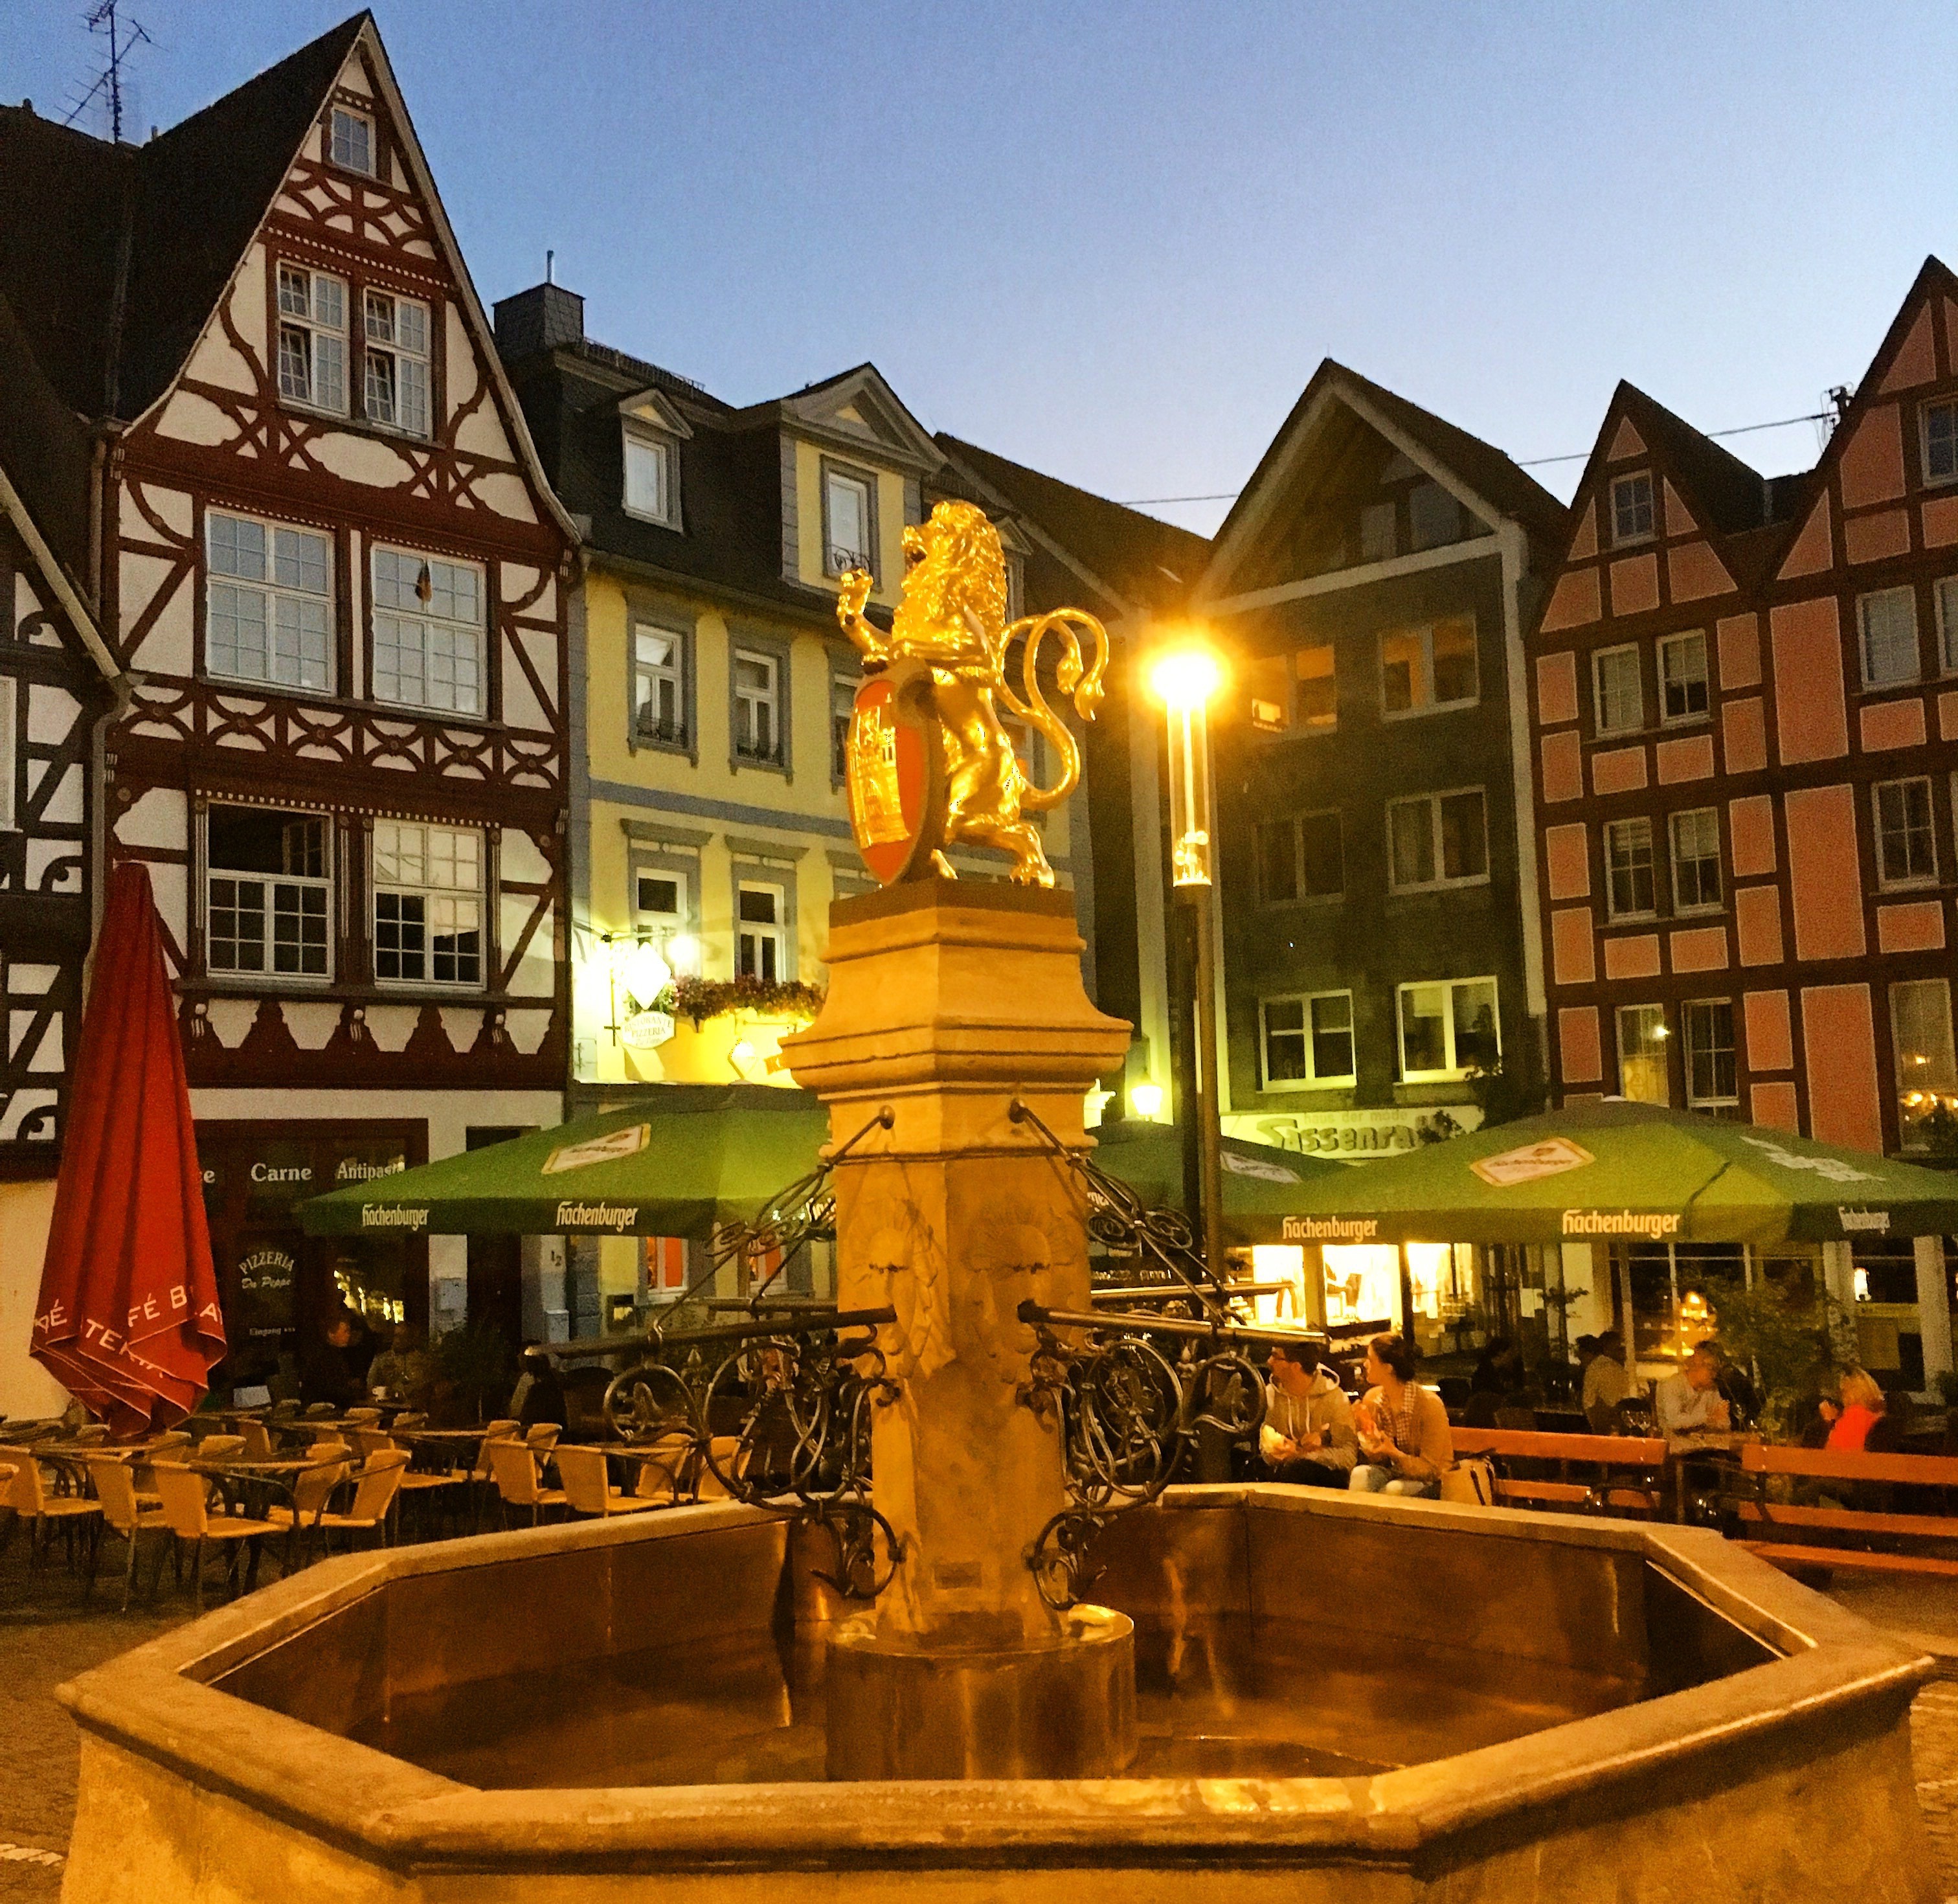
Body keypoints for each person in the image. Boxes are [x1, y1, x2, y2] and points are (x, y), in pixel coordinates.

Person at [1348, 1334, 1453, 1497]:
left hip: (1433, 1481)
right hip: (1393, 1473)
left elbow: (1431, 1469)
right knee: (1360, 1475)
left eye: (1371, 1360)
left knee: (1393, 1490)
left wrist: (1395, 1454)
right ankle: (1359, 1522)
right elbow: (1377, 1458)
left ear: (1388, 1368)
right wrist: (1366, 1437)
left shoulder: (1429, 1405)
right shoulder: (1373, 1399)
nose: (1365, 1364)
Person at [1257, 1343, 1358, 1486]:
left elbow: (1348, 1456)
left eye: (1275, 1357)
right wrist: (1275, 1452)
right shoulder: (1271, 1395)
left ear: (1296, 1367)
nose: (1269, 1362)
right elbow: (1265, 1440)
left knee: (1298, 1471)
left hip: (1325, 1475)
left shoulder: (1334, 1397)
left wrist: (1303, 1456)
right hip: (1283, 1473)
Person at [1654, 1341, 1731, 1451]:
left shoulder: (1711, 1390)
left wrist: (1719, 1419)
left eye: (1716, 1370)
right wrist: (1709, 1418)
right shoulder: (1673, 1385)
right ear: (1697, 1364)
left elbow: (1724, 1424)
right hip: (1675, 1449)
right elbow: (1674, 1421)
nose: (1715, 1374)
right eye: (1711, 1368)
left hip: (1705, 1448)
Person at [300, 1308, 370, 1410]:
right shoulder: (326, 1357)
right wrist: (355, 1393)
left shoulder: (337, 1354)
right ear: (331, 1334)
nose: (348, 1335)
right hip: (322, 1410)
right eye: (345, 1331)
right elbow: (331, 1389)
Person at [1820, 1367, 1886, 1453]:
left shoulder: (1856, 1414)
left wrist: (1829, 1422)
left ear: (1851, 1392)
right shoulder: (1875, 1414)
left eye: (1844, 1391)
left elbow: (1838, 1450)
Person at [367, 1323, 435, 1404]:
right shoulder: (382, 1360)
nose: (399, 1340)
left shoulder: (422, 1360)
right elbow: (371, 1385)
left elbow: (427, 1385)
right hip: (388, 1407)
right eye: (397, 1336)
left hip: (416, 1406)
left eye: (404, 1337)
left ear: (411, 1338)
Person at [1583, 1328, 1633, 1434]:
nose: (1624, 1351)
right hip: (1612, 1429)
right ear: (1607, 1349)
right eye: (1619, 1348)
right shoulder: (1607, 1368)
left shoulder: (1596, 1367)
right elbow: (1615, 1403)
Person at [510, 1344, 567, 1429]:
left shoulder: (529, 1381)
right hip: (556, 1428)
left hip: (536, 1429)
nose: (518, 1357)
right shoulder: (555, 1381)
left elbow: (517, 1408)